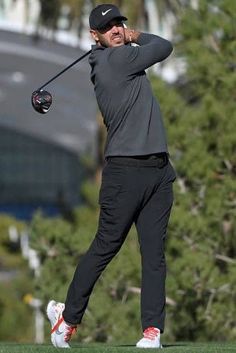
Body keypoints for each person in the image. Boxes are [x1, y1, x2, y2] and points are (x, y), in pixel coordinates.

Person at [47, 3, 176, 349]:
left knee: (154, 254)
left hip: (159, 172)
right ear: (95, 36)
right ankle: (68, 320)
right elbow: (164, 46)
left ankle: (152, 331)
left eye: (120, 23)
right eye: (109, 28)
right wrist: (136, 36)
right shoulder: (116, 61)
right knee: (106, 247)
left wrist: (127, 38)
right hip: (125, 172)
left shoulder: (116, 57)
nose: (117, 30)